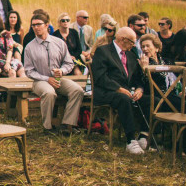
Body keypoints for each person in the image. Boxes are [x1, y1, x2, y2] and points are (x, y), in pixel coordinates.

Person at [23, 12, 83, 134]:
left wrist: (62, 71)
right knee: (49, 93)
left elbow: (69, 63)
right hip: (39, 81)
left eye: (38, 24)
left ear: (47, 25)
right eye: (33, 25)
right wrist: (46, 78)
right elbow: (28, 71)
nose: (35, 27)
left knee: (77, 90)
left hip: (58, 79)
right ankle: (48, 127)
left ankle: (67, 124)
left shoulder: (59, 43)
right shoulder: (29, 47)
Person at [91, 27, 147, 155]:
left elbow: (137, 78)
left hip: (128, 92)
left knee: (150, 100)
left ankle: (144, 135)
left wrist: (140, 89)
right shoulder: (103, 51)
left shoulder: (131, 55)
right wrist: (118, 88)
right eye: (132, 42)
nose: (134, 45)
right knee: (124, 99)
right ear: (123, 39)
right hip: (107, 91)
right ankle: (131, 140)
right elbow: (100, 77)